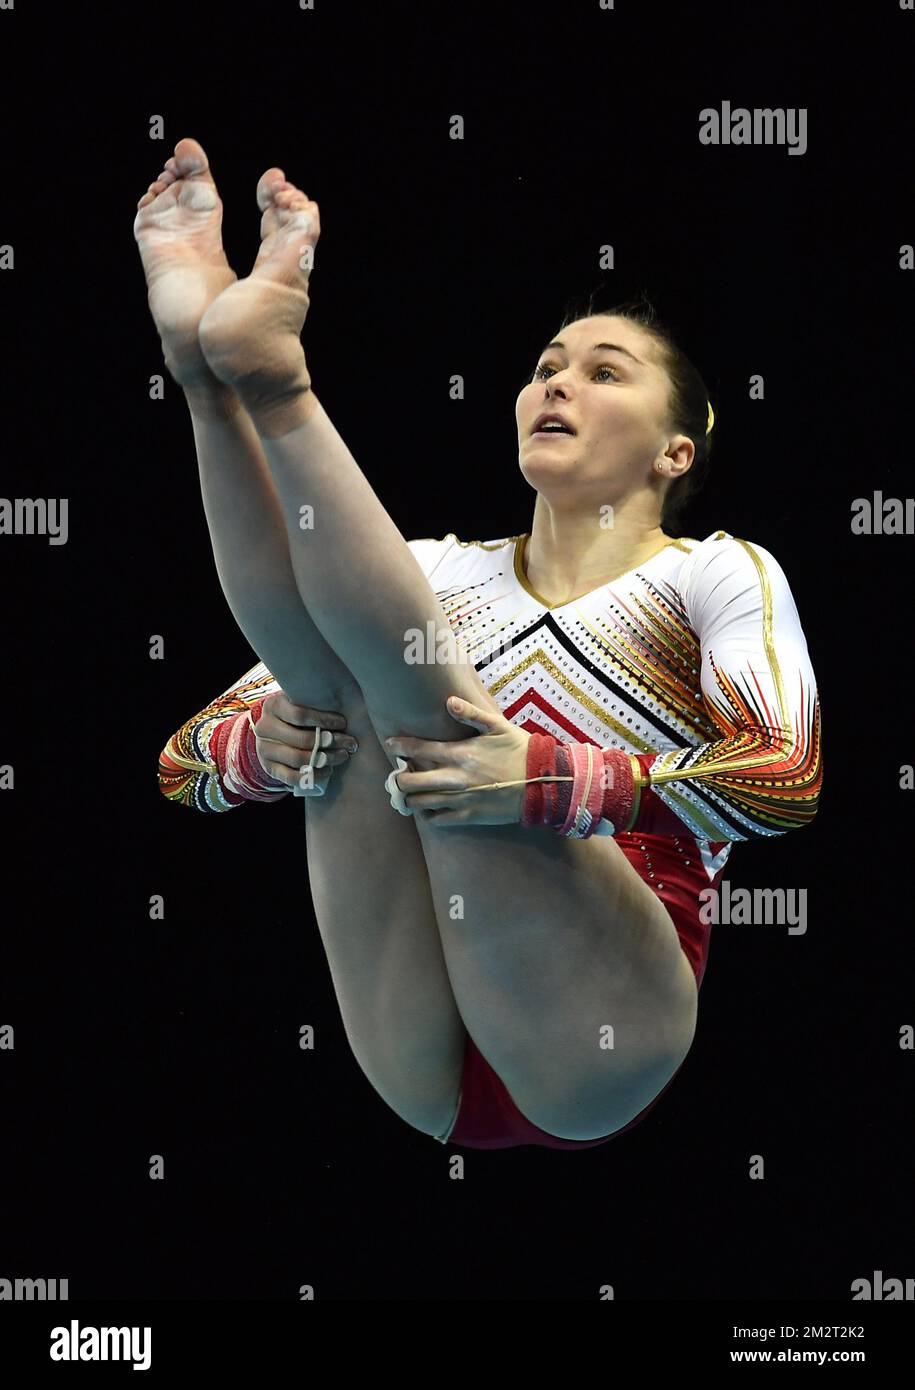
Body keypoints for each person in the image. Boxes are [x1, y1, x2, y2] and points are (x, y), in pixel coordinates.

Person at [137, 138, 823, 1151]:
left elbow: (786, 778)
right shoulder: (427, 573)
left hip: (604, 1034)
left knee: (412, 683)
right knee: (342, 686)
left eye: (602, 372)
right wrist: (258, 748)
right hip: (420, 1052)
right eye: (546, 368)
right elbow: (180, 764)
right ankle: (208, 376)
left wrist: (552, 783)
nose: (557, 384)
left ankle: (274, 383)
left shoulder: (713, 573)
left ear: (676, 452)